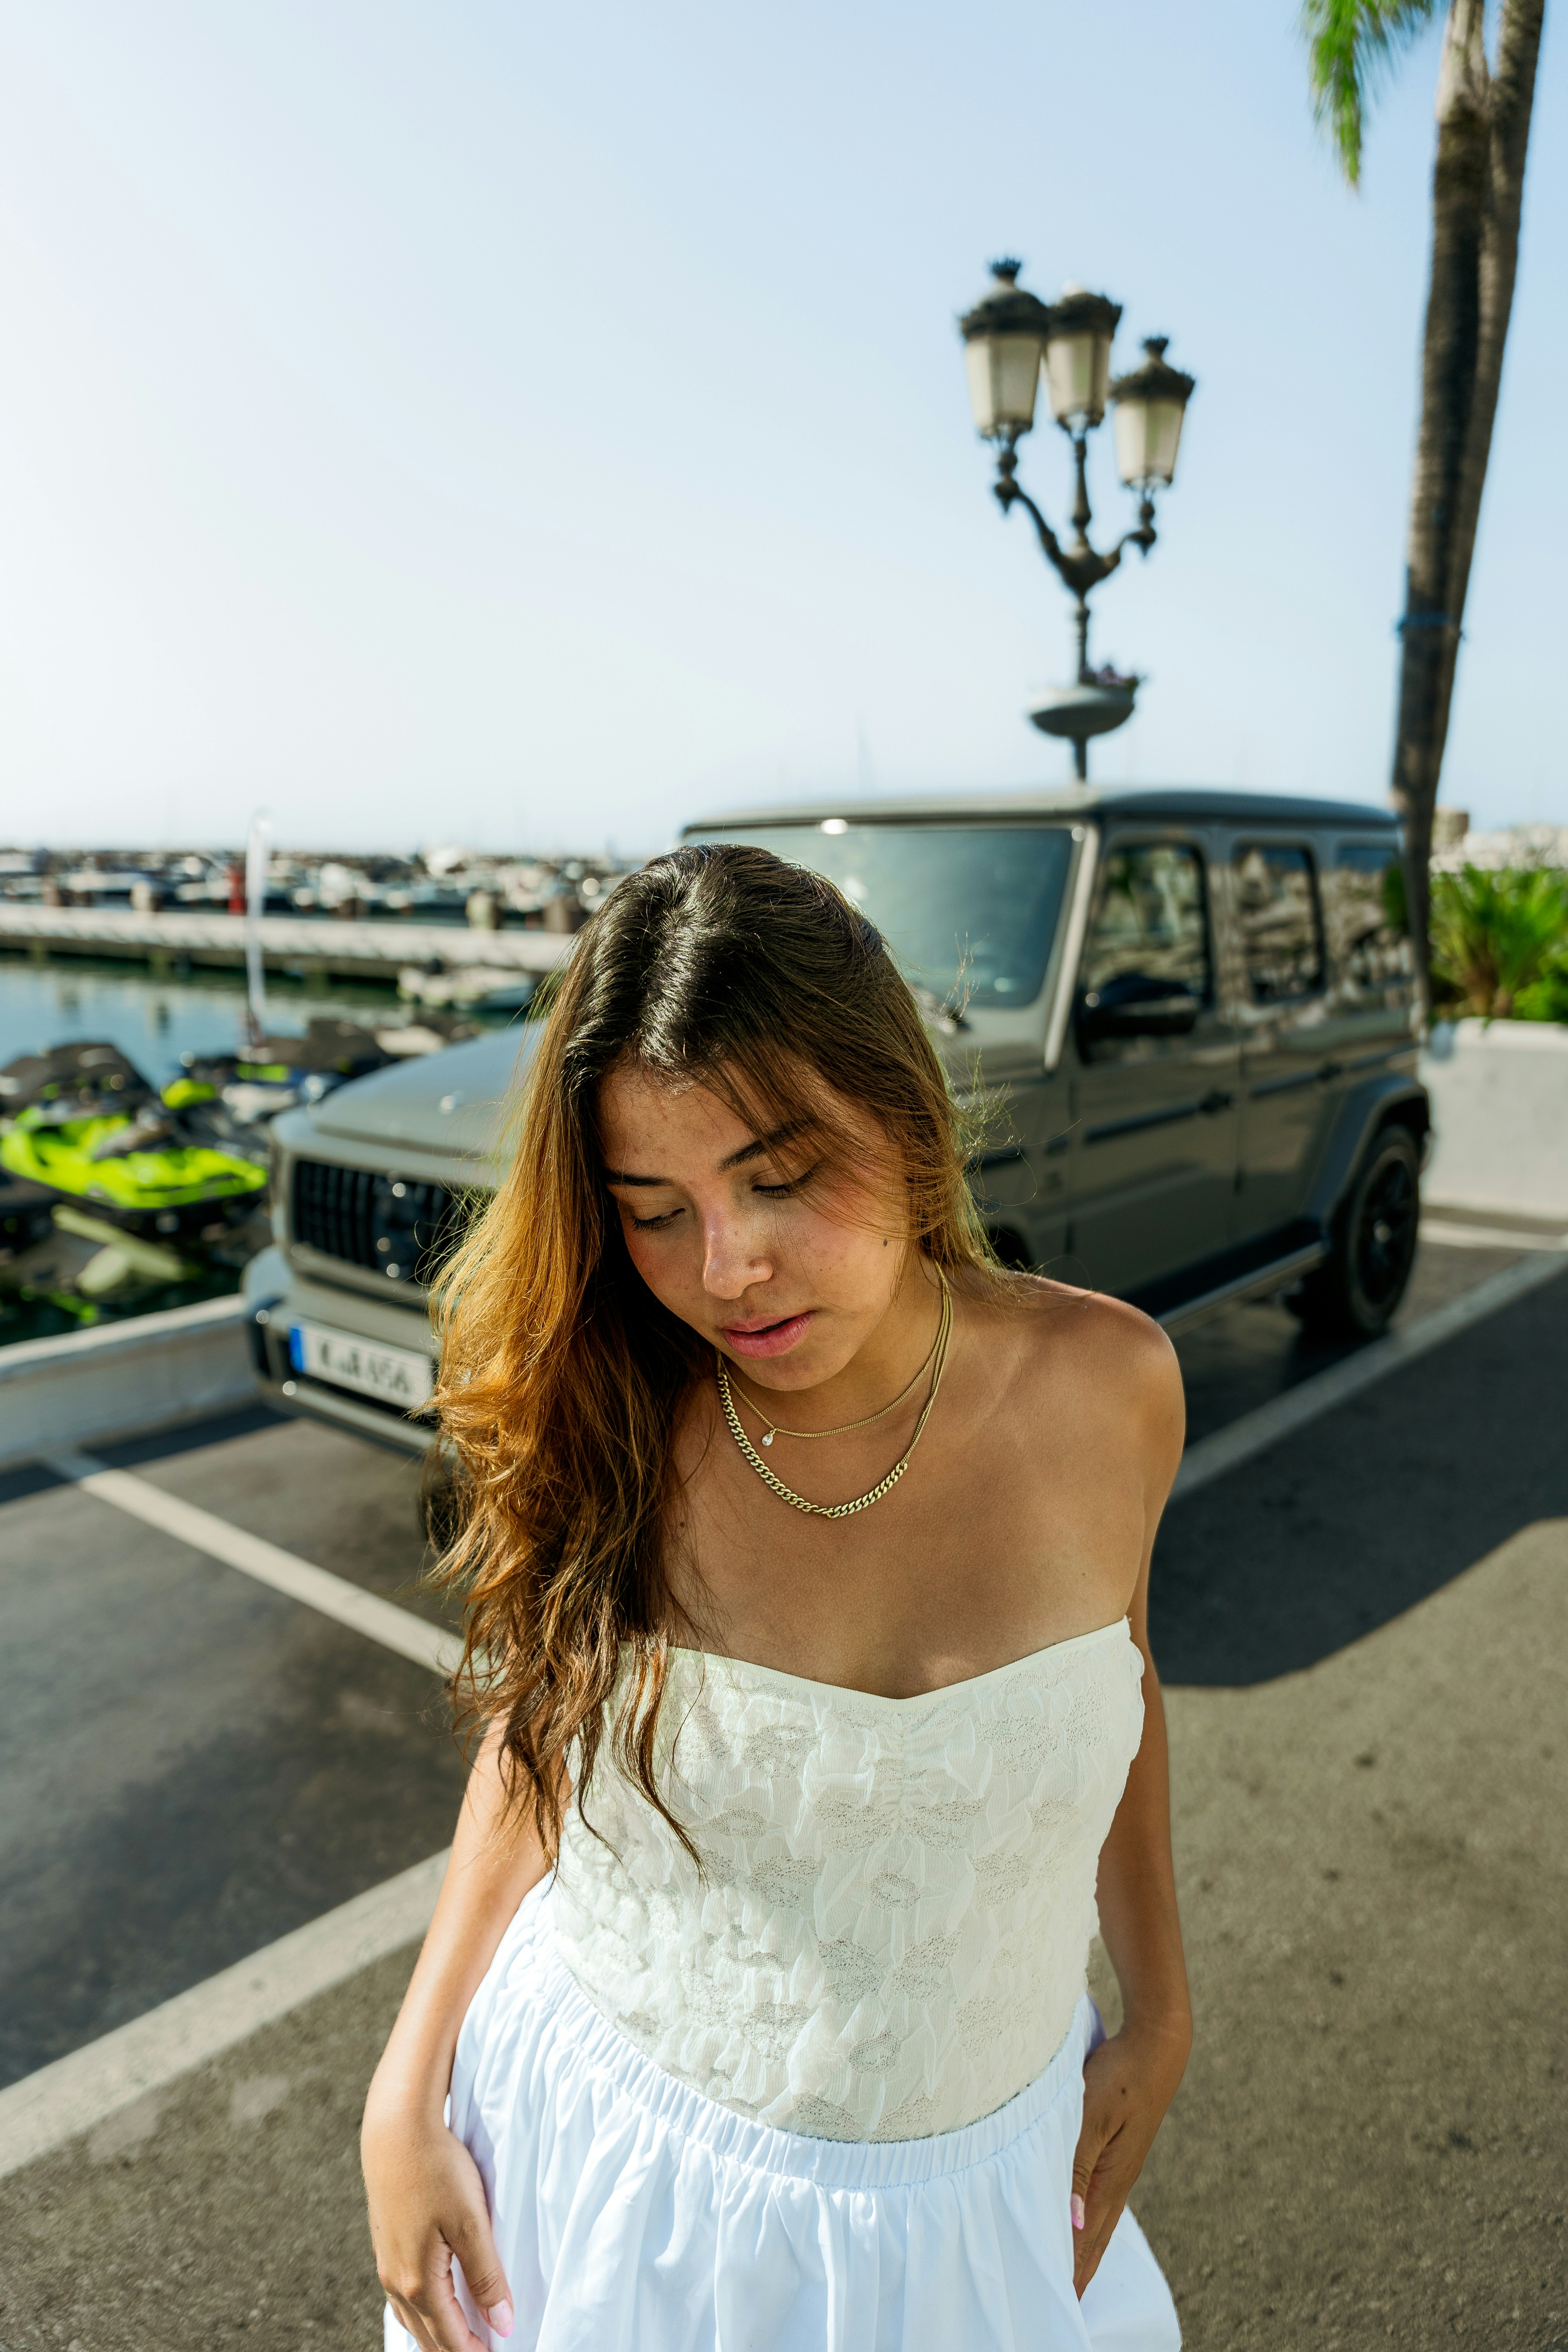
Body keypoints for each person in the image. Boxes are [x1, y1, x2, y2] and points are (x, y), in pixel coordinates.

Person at [362, 843, 1192, 2352]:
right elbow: (540, 1739)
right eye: (653, 1208)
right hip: (624, 2201)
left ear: (906, 1108)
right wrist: (405, 2082)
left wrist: (1164, 2006)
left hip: (985, 2208)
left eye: (781, 1176)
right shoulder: (616, 1411)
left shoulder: (1116, 1386)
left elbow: (1120, 1693)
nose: (726, 1269)